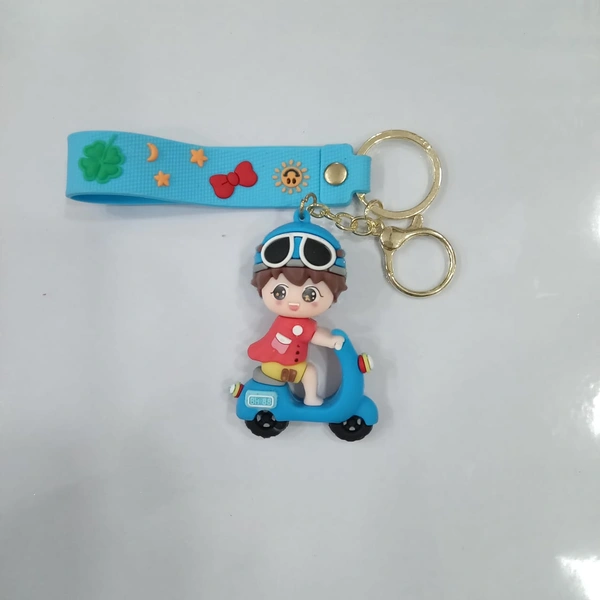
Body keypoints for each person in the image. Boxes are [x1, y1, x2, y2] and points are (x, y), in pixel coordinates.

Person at [248, 215, 348, 406]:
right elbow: (314, 336)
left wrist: (328, 337)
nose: (294, 303)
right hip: (279, 366)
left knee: (307, 370)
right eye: (280, 293)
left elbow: (312, 332)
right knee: (309, 372)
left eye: (310, 295)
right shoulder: (294, 325)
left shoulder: (292, 322)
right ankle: (310, 398)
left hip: (276, 364)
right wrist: (331, 341)